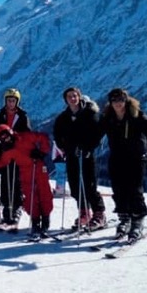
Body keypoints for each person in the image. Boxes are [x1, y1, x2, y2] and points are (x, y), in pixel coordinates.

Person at [100, 88, 147, 240]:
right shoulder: (109, 118)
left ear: (126, 100)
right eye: (114, 100)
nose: (118, 103)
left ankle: (137, 220)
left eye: (120, 100)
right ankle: (124, 218)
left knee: (134, 190)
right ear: (111, 102)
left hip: (136, 158)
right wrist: (85, 145)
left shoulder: (137, 116)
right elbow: (96, 133)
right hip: (117, 158)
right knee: (119, 189)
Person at [53, 87, 106, 230]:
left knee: (89, 185)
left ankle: (99, 213)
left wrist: (88, 147)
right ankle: (84, 212)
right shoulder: (63, 117)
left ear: (79, 97)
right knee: (75, 186)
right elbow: (57, 134)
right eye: (69, 96)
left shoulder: (90, 113)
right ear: (66, 99)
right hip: (71, 154)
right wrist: (62, 146)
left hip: (86, 154)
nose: (72, 98)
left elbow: (99, 132)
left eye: (75, 95)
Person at [0, 124, 53, 237]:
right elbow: (3, 162)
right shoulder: (8, 150)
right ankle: (35, 220)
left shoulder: (25, 137)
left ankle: (45, 219)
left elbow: (43, 137)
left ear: (10, 132)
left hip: (38, 166)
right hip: (25, 172)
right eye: (2, 138)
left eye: (6, 136)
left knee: (44, 193)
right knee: (29, 197)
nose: (5, 139)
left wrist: (42, 152)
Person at [0, 88, 31, 228]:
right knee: (5, 181)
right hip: (4, 153)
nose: (11, 103)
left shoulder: (22, 117)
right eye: (9, 100)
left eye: (13, 101)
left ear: (17, 102)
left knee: (16, 181)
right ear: (5, 101)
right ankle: (6, 211)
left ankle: (16, 209)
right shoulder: (0, 116)